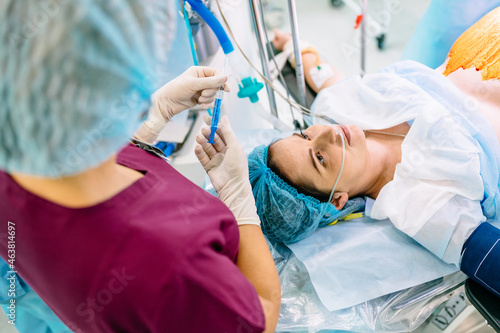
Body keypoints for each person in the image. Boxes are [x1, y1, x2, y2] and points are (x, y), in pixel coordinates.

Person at [0, 1, 280, 332]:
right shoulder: (173, 262)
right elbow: (259, 317)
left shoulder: (15, 155)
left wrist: (151, 120)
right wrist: (239, 201)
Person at [249, 8, 500, 297]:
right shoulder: (418, 205)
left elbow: (324, 76)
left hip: (482, 43)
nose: (327, 133)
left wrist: (295, 47)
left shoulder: (334, 109)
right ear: (339, 199)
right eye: (319, 158)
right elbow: (483, 253)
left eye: (304, 135)